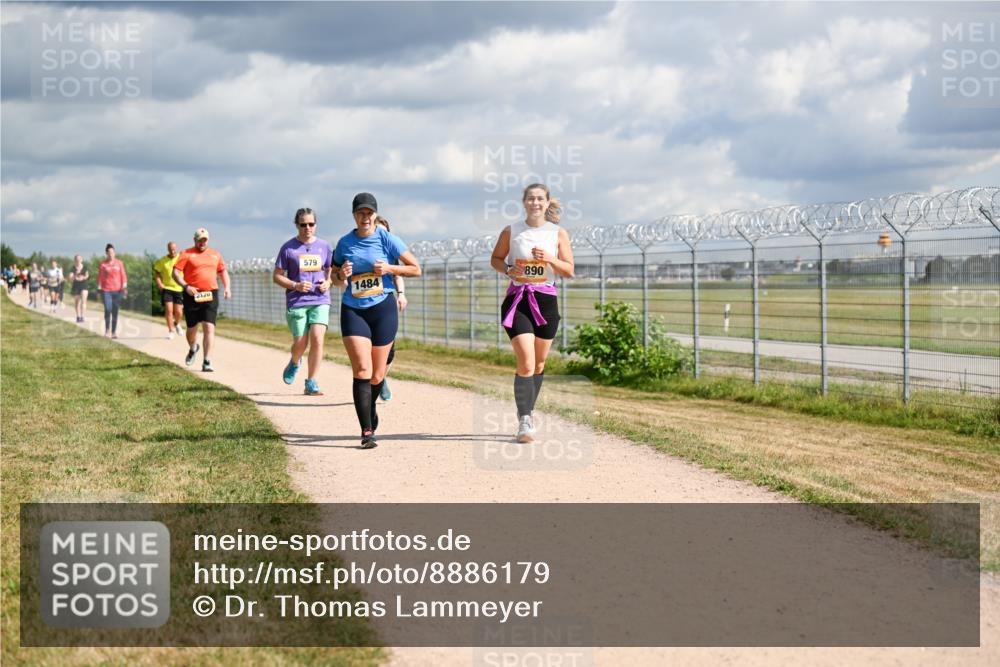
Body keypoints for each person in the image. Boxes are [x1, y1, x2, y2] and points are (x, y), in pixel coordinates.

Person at [332, 193, 421, 449]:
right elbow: (334, 276)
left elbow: (416, 268)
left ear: (375, 214)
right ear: (354, 215)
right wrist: (341, 274)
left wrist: (390, 269)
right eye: (361, 213)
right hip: (353, 308)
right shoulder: (345, 242)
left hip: (382, 308)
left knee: (377, 373)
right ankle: (366, 430)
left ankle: (369, 405)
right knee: (362, 369)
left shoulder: (387, 239)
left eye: (369, 213)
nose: (365, 217)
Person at [489, 183, 575, 443]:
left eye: (540, 199)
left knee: (538, 364)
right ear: (524, 202)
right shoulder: (511, 231)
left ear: (547, 203)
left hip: (546, 301)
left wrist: (549, 258)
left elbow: (569, 270)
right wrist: (508, 270)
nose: (535, 203)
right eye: (530, 198)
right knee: (526, 362)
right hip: (519, 301)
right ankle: (524, 419)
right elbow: (496, 259)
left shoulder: (557, 233)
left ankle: (529, 410)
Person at [273, 208, 334, 396]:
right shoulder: (288, 248)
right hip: (297, 301)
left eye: (311, 224)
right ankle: (295, 361)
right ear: (297, 225)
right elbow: (276, 276)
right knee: (300, 343)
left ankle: (311, 382)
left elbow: (330, 270)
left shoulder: (325, 246)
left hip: (320, 299)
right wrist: (295, 285)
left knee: (317, 339)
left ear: (316, 225)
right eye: (303, 224)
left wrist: (328, 282)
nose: (307, 228)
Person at [172, 228, 230, 372]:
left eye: (204, 240)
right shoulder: (186, 254)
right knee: (192, 329)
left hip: (210, 293)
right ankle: (193, 348)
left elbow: (223, 272)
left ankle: (207, 361)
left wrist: (227, 287)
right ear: (195, 240)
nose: (202, 242)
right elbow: (175, 273)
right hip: (192, 294)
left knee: (209, 327)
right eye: (199, 240)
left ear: (208, 240)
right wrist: (186, 287)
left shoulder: (215, 254)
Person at [374, 216, 408, 402]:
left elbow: (398, 275)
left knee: (390, 350)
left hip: (386, 303)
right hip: (365, 305)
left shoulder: (391, 253)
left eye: (383, 232)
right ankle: (375, 379)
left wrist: (401, 294)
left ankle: (381, 378)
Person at [153, 242, 185, 339]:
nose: (172, 251)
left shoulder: (181, 258)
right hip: (167, 288)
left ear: (177, 248)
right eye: (170, 249)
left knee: (179, 311)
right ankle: (171, 330)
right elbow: (157, 272)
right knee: (169, 310)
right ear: (168, 249)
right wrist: (159, 283)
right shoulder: (163, 261)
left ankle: (177, 323)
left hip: (179, 288)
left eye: (174, 249)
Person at [98, 244, 128, 338]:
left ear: (114, 253)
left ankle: (114, 332)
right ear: (106, 253)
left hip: (118, 290)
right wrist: (99, 290)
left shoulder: (119, 263)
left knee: (115, 311)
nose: (111, 254)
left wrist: (124, 288)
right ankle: (107, 330)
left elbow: (123, 275)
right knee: (107, 309)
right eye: (109, 252)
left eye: (112, 252)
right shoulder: (103, 264)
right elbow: (100, 277)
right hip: (106, 290)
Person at [68, 255, 90, 323]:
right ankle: (78, 316)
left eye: (79, 259)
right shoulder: (73, 268)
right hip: (76, 286)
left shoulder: (85, 267)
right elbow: (70, 278)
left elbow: (87, 275)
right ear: (75, 260)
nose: (78, 260)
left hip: (84, 285)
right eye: (77, 259)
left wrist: (84, 277)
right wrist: (75, 275)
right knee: (77, 302)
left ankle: (82, 316)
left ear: (81, 260)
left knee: (83, 301)